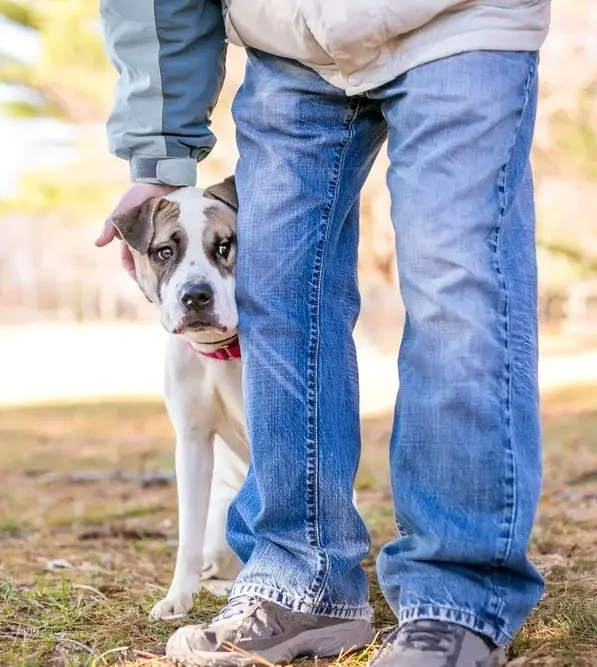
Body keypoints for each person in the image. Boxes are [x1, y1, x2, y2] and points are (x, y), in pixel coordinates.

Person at [95, 1, 550, 665]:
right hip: (290, 42)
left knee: (457, 287)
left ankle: (458, 595)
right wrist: (156, 153)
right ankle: (299, 576)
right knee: (274, 296)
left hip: (458, 17)